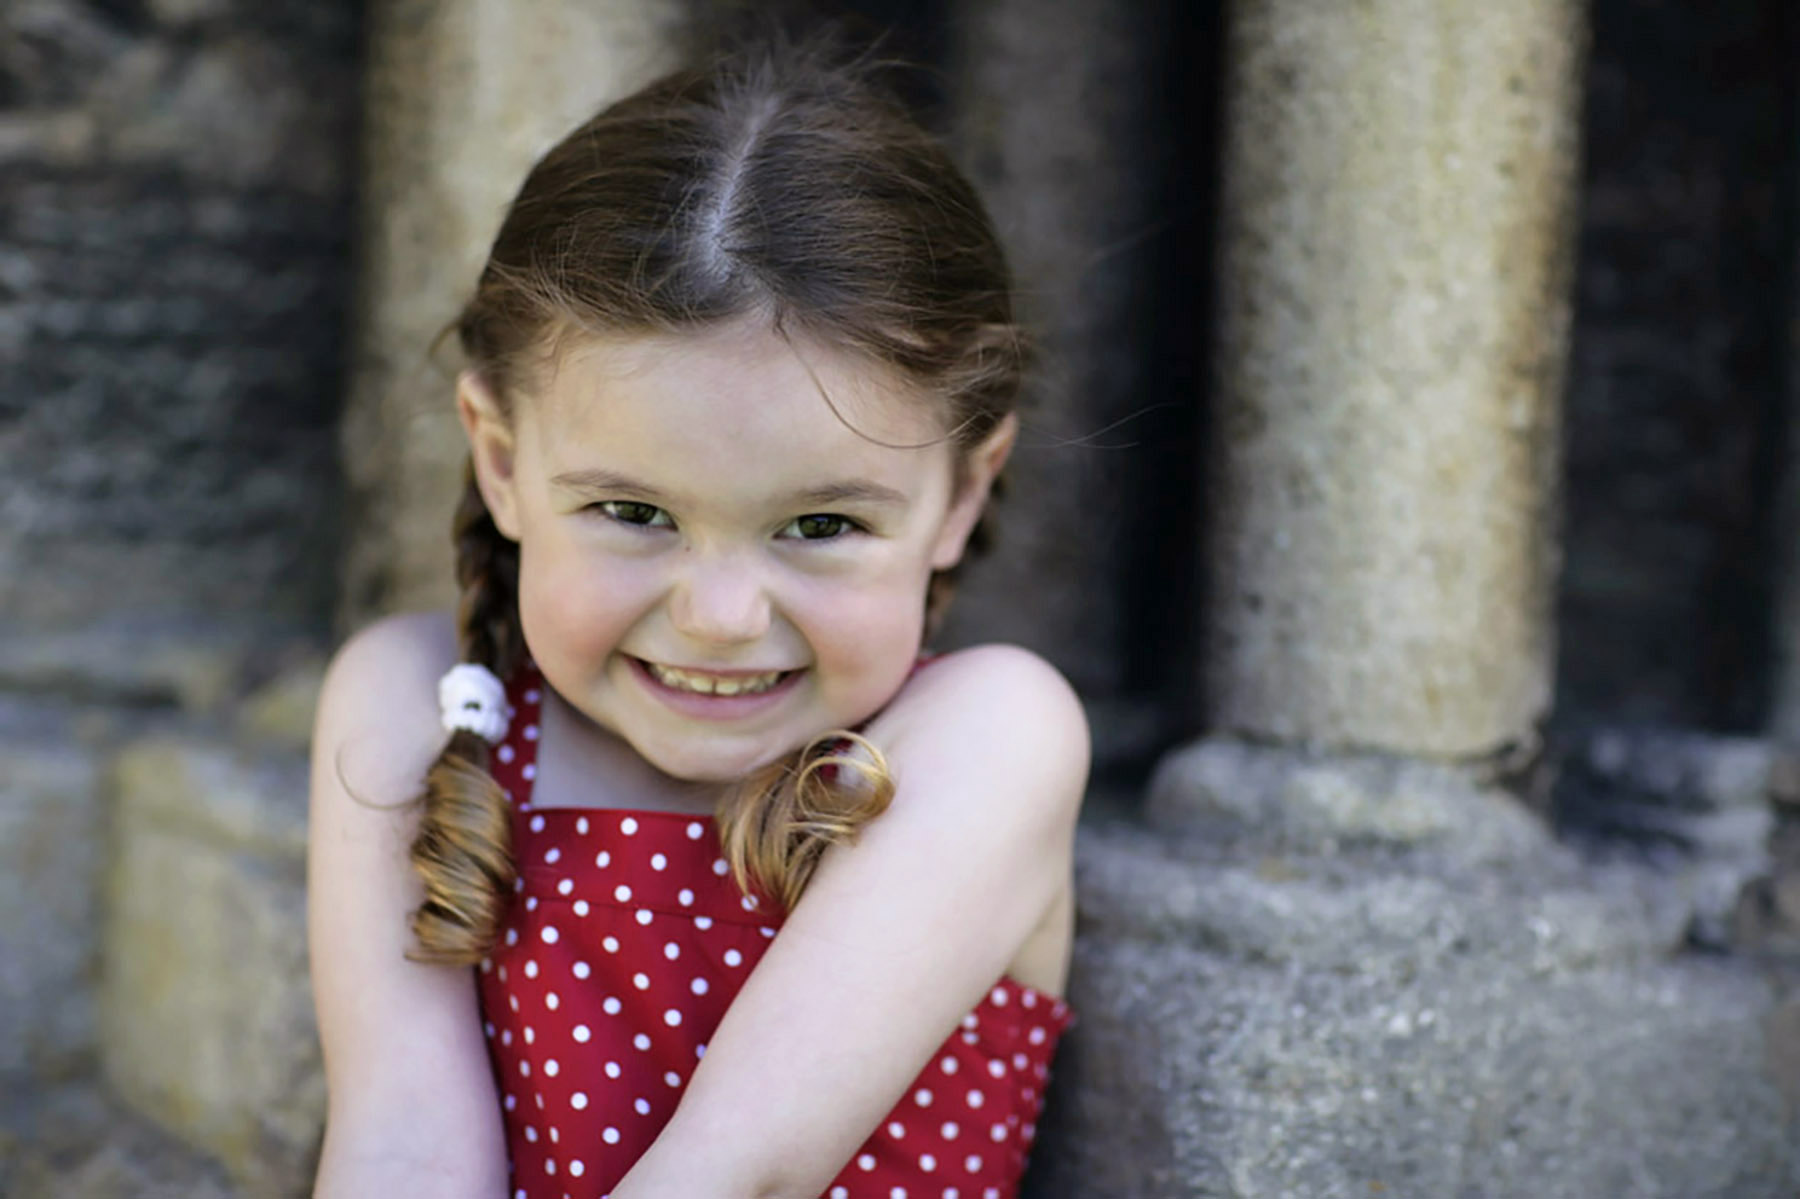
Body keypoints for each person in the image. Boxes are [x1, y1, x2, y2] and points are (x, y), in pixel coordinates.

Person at [307, 33, 1088, 1199]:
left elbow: (741, 1172)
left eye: (820, 524)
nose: (721, 616)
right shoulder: (409, 703)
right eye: (633, 511)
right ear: (502, 458)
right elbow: (402, 1147)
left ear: (963, 493)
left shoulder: (989, 735)